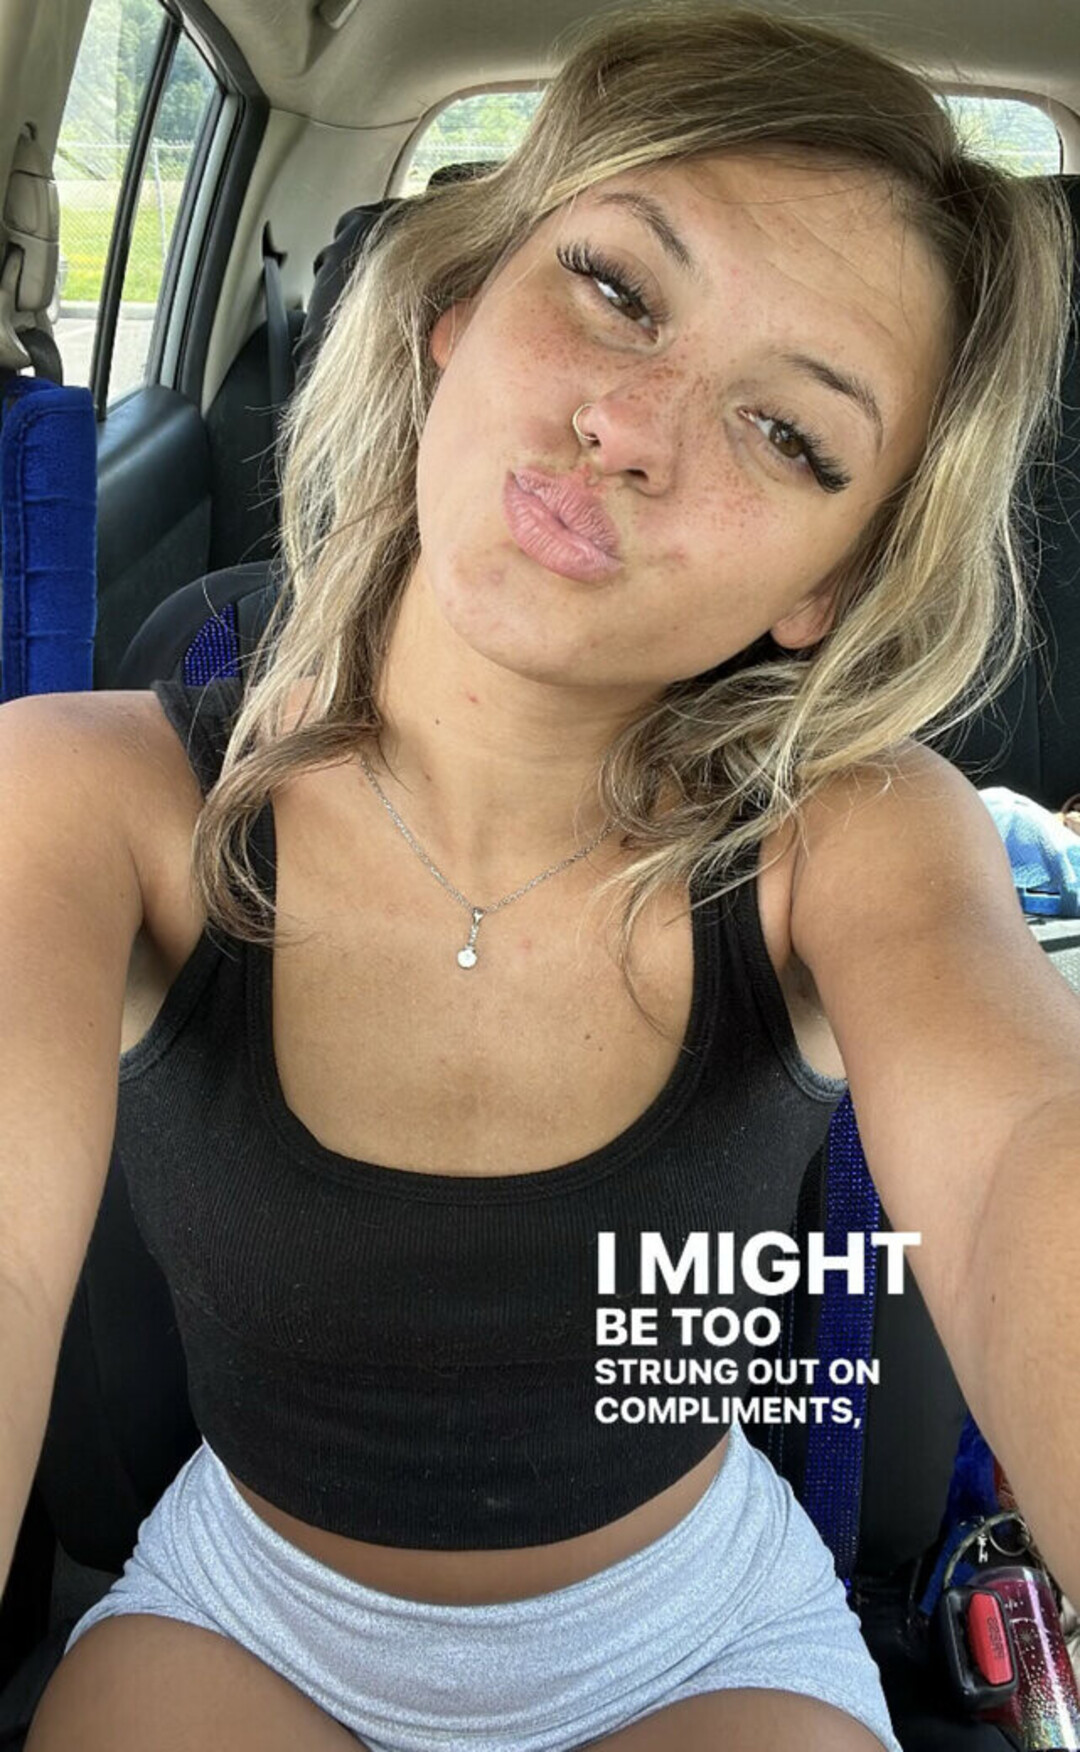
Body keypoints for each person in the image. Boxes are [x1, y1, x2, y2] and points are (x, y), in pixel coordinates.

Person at [5, 5, 1078, 1749]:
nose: (635, 427)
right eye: (615, 289)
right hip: (249, 1615)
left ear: (823, 583)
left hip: (699, 1642)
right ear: (457, 306)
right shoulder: (80, 800)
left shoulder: (859, 836)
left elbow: (1035, 1151)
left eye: (790, 435)